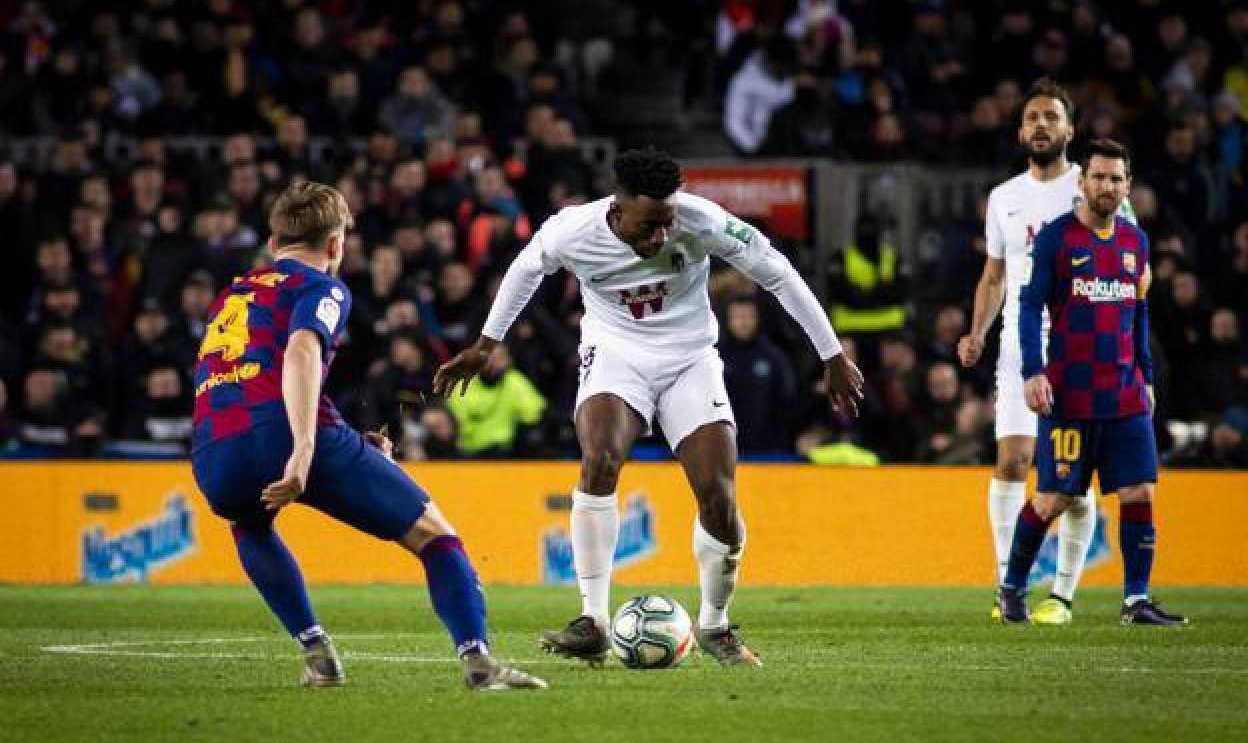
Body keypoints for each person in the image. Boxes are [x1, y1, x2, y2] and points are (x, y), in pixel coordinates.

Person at [434, 147, 864, 667]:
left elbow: (777, 271)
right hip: (617, 352)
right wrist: (485, 345)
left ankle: (714, 624)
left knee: (719, 498)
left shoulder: (701, 220)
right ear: (617, 209)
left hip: (689, 359)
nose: (661, 236)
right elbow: (525, 271)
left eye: (667, 222)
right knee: (600, 460)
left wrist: (832, 353)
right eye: (649, 224)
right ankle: (593, 620)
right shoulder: (573, 230)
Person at [189, 182, 545, 690]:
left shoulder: (234, 294)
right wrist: (304, 451)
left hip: (213, 448)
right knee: (434, 535)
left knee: (250, 523)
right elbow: (300, 353)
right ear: (335, 245)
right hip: (288, 434)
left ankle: (317, 654)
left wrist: (345, 439)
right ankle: (478, 661)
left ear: (273, 243)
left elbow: (245, 374)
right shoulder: (322, 288)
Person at [958, 79, 1128, 625]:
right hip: (1018, 343)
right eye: (1032, 117)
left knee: (1072, 479)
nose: (1040, 125)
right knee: (1012, 460)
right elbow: (994, 274)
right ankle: (1007, 586)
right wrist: (977, 331)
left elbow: (1128, 262)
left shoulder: (1096, 186)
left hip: (1083, 345)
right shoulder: (1004, 198)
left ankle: (1062, 595)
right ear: (1019, 130)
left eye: (1051, 117)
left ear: (1069, 130)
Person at [997, 139, 1187, 626]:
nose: (1107, 186)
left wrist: (1145, 374)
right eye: (1099, 177)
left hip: (1124, 392)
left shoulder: (1135, 242)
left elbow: (1139, 312)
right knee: (1053, 499)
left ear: (1128, 186)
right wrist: (1033, 372)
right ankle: (1012, 587)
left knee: (1140, 492)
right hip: (1071, 393)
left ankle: (1136, 601)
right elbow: (1027, 307)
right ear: (1082, 183)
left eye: (1116, 178)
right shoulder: (1057, 239)